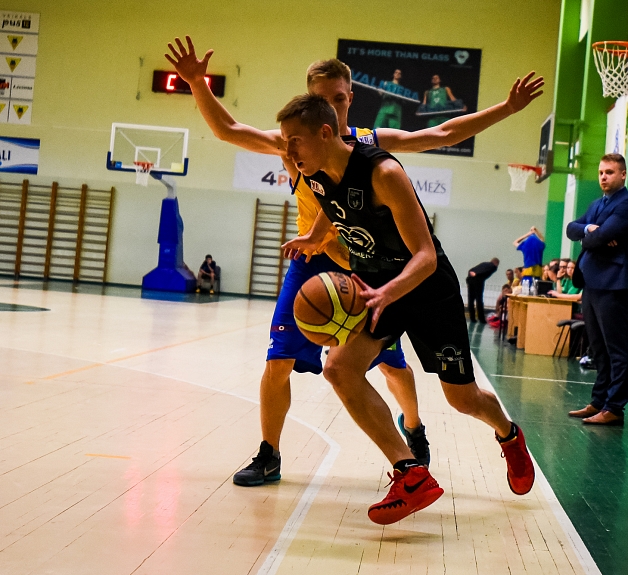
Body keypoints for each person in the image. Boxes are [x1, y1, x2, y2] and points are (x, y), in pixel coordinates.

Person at [164, 36, 542, 494]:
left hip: (385, 273)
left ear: (350, 99)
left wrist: (506, 108)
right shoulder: (296, 145)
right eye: (322, 101)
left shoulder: (372, 151)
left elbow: (440, 134)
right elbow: (233, 133)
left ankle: (429, 428)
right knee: (294, 360)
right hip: (323, 264)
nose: (332, 109)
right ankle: (281, 455)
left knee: (431, 383)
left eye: (339, 100)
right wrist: (197, 84)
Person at [279, 94, 534, 523]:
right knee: (339, 368)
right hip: (377, 286)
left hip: (425, 288)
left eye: (294, 142)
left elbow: (425, 256)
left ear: (325, 133)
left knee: (463, 399)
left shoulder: (383, 172)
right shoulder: (315, 174)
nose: (288, 153)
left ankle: (509, 436)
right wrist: (315, 236)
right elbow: (330, 206)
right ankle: (411, 473)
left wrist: (388, 292)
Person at [566, 153, 628, 426]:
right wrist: (591, 229)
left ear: (623, 175)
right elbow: (571, 228)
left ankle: (614, 407)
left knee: (617, 349)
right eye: (602, 172)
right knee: (598, 348)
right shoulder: (596, 205)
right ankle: (598, 401)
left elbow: (601, 237)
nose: (604, 177)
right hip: (591, 283)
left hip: (613, 283)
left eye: (610, 172)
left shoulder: (625, 204)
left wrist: (590, 236)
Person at [466, 257, 499, 323]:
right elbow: (484, 271)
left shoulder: (484, 263)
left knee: (471, 300)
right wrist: (477, 274)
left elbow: (471, 270)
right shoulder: (493, 266)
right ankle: (481, 319)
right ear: (496, 263)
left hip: (470, 280)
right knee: (479, 300)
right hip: (478, 281)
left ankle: (472, 318)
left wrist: (471, 276)